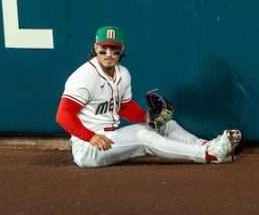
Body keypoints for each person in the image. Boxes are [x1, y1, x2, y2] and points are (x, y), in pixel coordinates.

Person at [56, 25, 242, 168]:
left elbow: (124, 106)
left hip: (111, 138)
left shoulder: (123, 73)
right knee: (143, 136)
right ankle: (208, 155)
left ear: (122, 50)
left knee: (164, 124)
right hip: (88, 148)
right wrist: (90, 137)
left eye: (115, 49)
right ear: (96, 48)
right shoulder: (84, 77)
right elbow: (63, 115)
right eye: (104, 49)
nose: (109, 54)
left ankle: (210, 146)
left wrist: (145, 116)